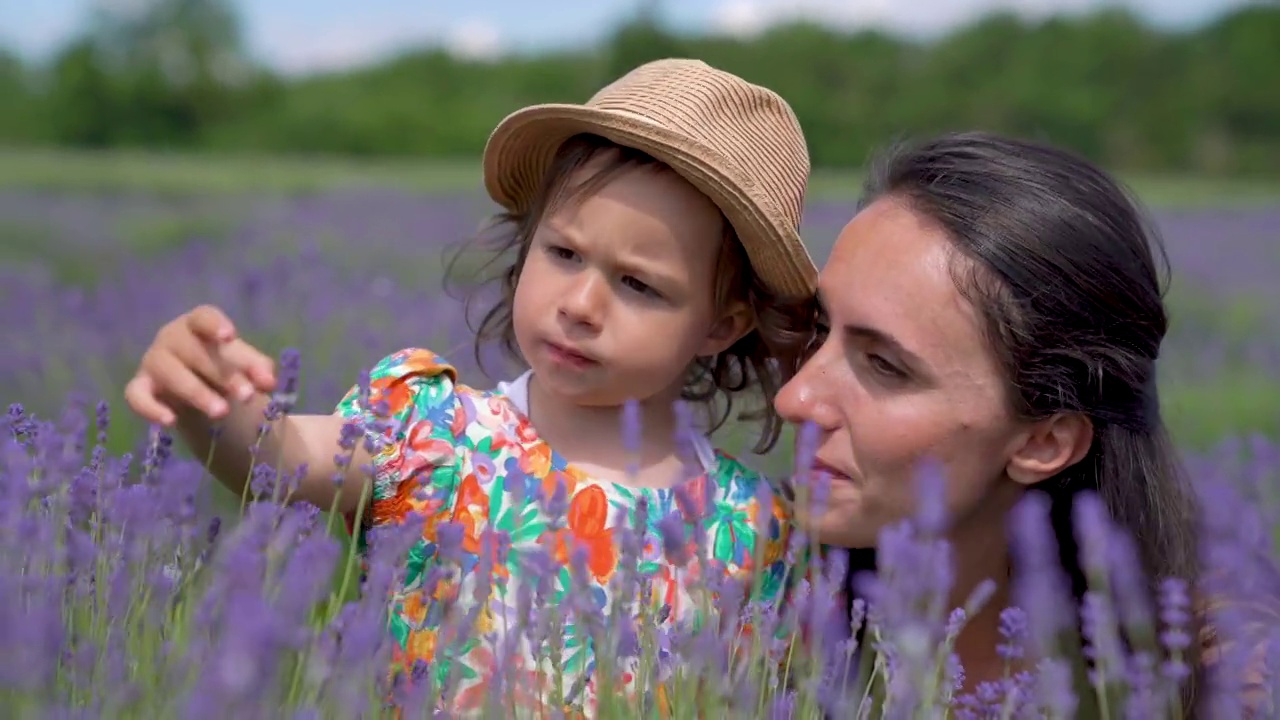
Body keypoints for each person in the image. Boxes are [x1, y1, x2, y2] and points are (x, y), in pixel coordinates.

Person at [123, 58, 821, 715]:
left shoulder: (749, 526)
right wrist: (211, 399)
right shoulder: (440, 433)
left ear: (720, 325)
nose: (580, 303)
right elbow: (279, 457)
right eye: (564, 252)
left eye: (638, 284)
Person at [772, 131, 1238, 714]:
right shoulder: (728, 604)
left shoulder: (1208, 683)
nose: (794, 397)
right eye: (819, 330)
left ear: (1044, 442)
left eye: (884, 366)